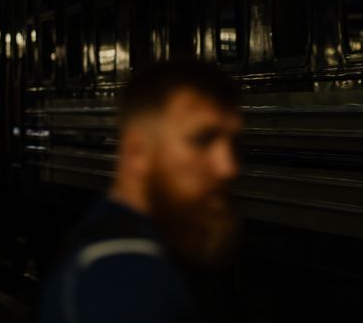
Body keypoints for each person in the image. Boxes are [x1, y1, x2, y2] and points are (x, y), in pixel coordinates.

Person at [38, 60, 243, 323]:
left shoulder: (107, 253)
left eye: (235, 143)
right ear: (137, 151)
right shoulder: (122, 278)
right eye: (202, 140)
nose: (228, 167)